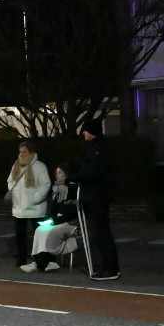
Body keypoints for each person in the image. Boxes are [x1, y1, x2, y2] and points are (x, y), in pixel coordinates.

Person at [68, 117, 120, 281]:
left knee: (101, 233)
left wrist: (75, 177)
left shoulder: (99, 149)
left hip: (97, 196)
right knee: (100, 233)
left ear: (92, 131)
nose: (83, 132)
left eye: (86, 130)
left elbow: (93, 172)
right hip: (96, 196)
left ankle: (110, 268)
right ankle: (108, 267)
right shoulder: (97, 147)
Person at [22, 163, 79, 273]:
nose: (57, 175)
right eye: (56, 173)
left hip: (69, 222)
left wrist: (56, 221)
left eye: (60, 172)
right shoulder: (56, 189)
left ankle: (41, 263)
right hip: (57, 220)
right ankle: (44, 262)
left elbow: (73, 212)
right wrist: (49, 220)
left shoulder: (74, 189)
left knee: (49, 232)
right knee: (39, 230)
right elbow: (53, 210)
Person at [7, 140, 51, 267]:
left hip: (35, 208)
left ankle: (40, 259)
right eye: (20, 152)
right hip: (19, 208)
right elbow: (10, 181)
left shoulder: (39, 167)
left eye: (24, 152)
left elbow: (45, 184)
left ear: (31, 152)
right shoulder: (16, 165)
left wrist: (35, 198)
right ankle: (22, 258)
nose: (21, 154)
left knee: (38, 235)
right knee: (20, 235)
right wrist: (13, 191)